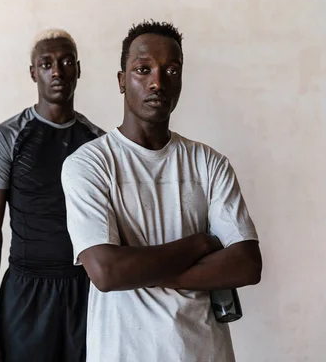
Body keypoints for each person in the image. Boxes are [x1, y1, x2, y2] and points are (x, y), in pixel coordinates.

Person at [61, 21, 262, 362]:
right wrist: (201, 244)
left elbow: (246, 265)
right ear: (122, 81)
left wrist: (137, 270)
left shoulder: (209, 163)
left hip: (204, 352)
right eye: (143, 69)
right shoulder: (90, 164)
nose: (158, 82)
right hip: (123, 352)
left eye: (171, 70)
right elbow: (106, 273)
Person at [0, 29, 104, 362]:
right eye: (46, 64)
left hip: (84, 293)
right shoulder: (5, 138)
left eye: (65, 62)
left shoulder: (99, 143)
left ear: (78, 69)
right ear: (33, 73)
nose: (57, 71)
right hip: (26, 293)